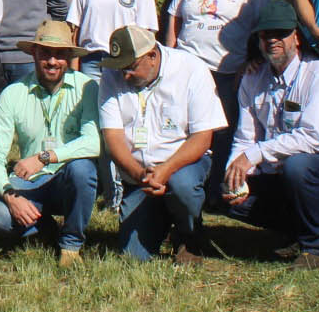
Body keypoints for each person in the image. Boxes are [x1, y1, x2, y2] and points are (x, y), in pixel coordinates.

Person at [223, 0, 319, 270]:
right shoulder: (253, 78)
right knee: (231, 195)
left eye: (280, 33)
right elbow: (244, 137)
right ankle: (296, 232)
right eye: (265, 35)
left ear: (296, 37)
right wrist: (234, 175)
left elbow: (312, 138)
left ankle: (316, 248)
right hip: (280, 171)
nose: (273, 40)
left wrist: (254, 155)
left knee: (299, 166)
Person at [95, 25, 224, 264]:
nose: (124, 76)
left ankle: (189, 236)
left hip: (183, 165)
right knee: (133, 258)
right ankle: (163, 216)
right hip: (140, 176)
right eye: (120, 68)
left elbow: (202, 137)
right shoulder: (111, 77)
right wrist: (141, 174)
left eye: (130, 67)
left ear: (152, 56)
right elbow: (112, 138)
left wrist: (165, 171)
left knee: (183, 185)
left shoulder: (191, 69)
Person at [0, 20, 101, 267]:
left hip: (67, 178)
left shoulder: (87, 88)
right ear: (34, 53)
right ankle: (43, 228)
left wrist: (45, 157)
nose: (52, 61)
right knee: (1, 217)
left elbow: (94, 142)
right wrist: (10, 196)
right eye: (45, 53)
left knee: (83, 169)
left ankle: (71, 244)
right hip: (30, 182)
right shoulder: (13, 93)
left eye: (59, 55)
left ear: (69, 57)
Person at [164, 0, 271, 188]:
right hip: (189, 67)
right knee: (187, 127)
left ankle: (218, 186)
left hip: (227, 69)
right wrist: (170, 56)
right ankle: (186, 182)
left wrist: (253, 60)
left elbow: (262, 22)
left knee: (223, 130)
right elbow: (175, 16)